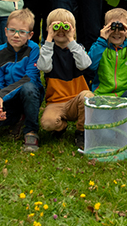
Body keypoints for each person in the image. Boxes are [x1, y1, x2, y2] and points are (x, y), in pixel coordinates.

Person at [0, 8, 43, 152]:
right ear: (6, 31)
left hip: (29, 95)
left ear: (30, 35)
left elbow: (29, 77)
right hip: (8, 99)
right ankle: (15, 119)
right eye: (12, 30)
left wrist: (2, 95)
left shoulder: (33, 49)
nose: (16, 35)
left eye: (22, 32)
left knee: (28, 87)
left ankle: (31, 130)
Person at [87, 8, 127, 147]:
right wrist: (102, 39)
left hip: (124, 97)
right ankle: (116, 124)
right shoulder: (100, 46)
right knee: (106, 138)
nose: (116, 32)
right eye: (111, 27)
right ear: (105, 28)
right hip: (103, 97)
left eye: (122, 28)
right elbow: (90, 65)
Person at [36, 8, 93, 149]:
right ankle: (61, 127)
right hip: (56, 102)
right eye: (56, 27)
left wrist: (71, 40)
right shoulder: (47, 50)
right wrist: (48, 39)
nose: (61, 30)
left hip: (76, 99)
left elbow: (85, 65)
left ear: (72, 29)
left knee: (87, 96)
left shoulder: (77, 48)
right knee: (47, 123)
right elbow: (44, 67)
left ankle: (81, 131)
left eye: (65, 27)